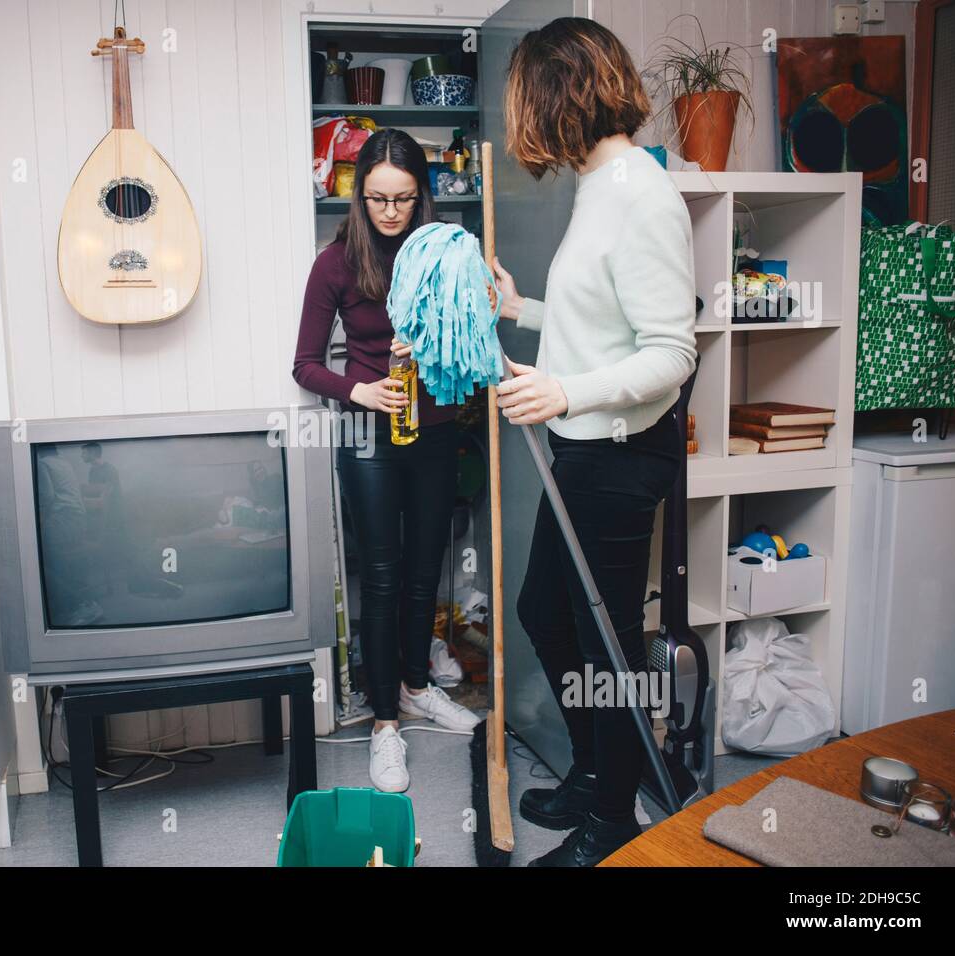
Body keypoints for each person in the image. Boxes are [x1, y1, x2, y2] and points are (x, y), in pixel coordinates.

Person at [492, 17, 698, 866]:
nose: (518, 125)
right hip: (585, 446)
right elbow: (603, 323)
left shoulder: (644, 194)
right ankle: (592, 772)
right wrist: (523, 312)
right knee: (547, 613)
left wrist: (564, 390)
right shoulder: (598, 185)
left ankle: (613, 822)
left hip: (620, 453)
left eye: (524, 103)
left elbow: (670, 354)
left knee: (606, 651)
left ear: (555, 96)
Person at [292, 128, 481, 793]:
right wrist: (359, 389)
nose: (391, 211)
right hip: (370, 436)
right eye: (378, 198)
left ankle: (416, 686)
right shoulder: (336, 262)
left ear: (421, 196)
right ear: (358, 194)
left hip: (433, 431)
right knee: (382, 574)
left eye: (403, 198)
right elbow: (307, 365)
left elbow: (470, 339)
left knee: (424, 569)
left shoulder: (447, 254)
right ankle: (382, 724)